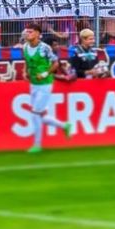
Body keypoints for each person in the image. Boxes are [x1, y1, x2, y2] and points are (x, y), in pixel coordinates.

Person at [22, 22, 72, 153]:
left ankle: (37, 145)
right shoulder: (25, 47)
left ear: (38, 33)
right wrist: (24, 71)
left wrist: (45, 73)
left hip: (45, 84)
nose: (28, 34)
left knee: (35, 113)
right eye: (27, 32)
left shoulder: (44, 48)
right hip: (33, 83)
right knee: (39, 115)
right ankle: (64, 125)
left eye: (31, 31)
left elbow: (56, 63)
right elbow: (26, 61)